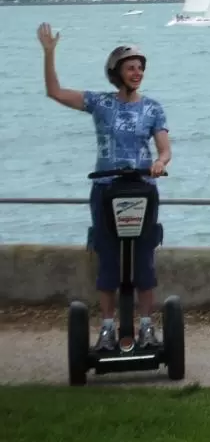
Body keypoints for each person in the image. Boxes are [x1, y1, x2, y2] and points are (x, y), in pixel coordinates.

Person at [36, 23, 172, 350]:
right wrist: (49, 53)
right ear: (116, 72)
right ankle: (108, 328)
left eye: (140, 68)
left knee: (143, 258)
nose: (137, 72)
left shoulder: (152, 107)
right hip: (106, 189)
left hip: (141, 188)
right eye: (130, 67)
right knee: (108, 257)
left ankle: (146, 326)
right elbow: (55, 92)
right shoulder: (100, 103)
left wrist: (160, 162)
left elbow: (164, 148)